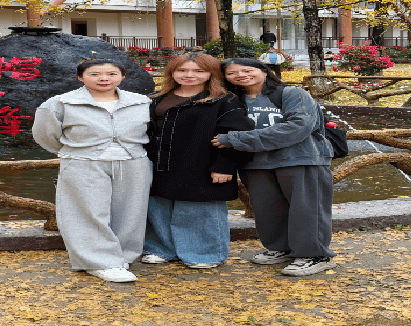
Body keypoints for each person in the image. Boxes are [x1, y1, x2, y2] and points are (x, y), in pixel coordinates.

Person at [212, 58, 336, 277]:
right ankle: (281, 248)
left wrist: (237, 138)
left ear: (264, 71)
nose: (240, 75)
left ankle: (315, 255)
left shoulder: (291, 93)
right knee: (267, 210)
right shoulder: (233, 100)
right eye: (232, 73)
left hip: (300, 158)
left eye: (247, 70)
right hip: (255, 162)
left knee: (306, 210)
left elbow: (297, 127)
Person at [32, 59, 152, 283]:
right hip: (83, 161)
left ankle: (122, 256)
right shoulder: (61, 103)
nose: (104, 78)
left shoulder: (140, 102)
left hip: (133, 161)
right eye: (94, 74)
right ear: (81, 77)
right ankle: (98, 262)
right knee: (87, 211)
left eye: (111, 74)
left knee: (131, 211)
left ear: (122, 76)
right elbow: (45, 135)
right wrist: (75, 150)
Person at [142, 53, 250, 269]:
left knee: (200, 210)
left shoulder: (224, 101)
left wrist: (225, 165)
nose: (189, 75)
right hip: (161, 162)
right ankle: (161, 249)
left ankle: (204, 253)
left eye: (198, 71)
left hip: (202, 163)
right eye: (182, 70)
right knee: (159, 207)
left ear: (211, 73)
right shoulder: (158, 98)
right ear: (172, 72)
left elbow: (236, 135)